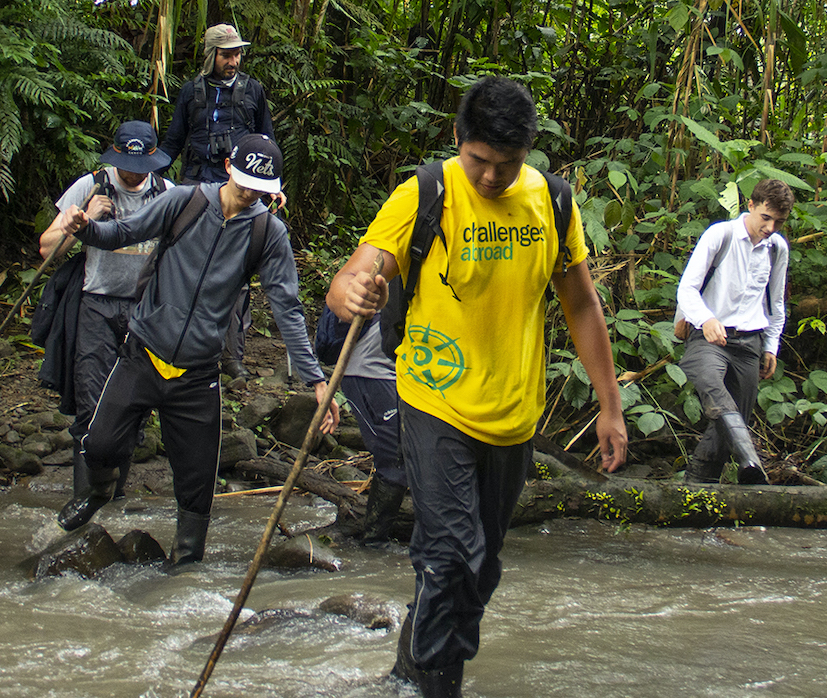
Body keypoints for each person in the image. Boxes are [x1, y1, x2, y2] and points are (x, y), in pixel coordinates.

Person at [325, 76, 628, 698]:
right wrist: (352, 292)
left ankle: (408, 673)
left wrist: (609, 404)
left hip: (514, 414)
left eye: (507, 164)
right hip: (434, 400)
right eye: (479, 161)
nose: (490, 177)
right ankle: (439, 687)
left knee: (480, 567)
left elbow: (580, 303)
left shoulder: (553, 202)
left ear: (529, 153)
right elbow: (352, 276)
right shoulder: (425, 194)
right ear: (457, 139)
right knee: (451, 555)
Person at [55, 134, 337, 569]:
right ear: (228, 167)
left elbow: (287, 308)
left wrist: (316, 380)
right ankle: (94, 493)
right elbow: (125, 232)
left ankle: (184, 563)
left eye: (259, 192)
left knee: (197, 480)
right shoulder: (183, 202)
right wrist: (86, 228)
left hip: (198, 373)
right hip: (144, 352)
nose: (249, 198)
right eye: (244, 186)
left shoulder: (267, 232)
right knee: (101, 442)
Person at [35, 121, 173, 505]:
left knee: (132, 407)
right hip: (96, 306)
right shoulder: (91, 186)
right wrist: (80, 220)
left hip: (144, 311)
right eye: (125, 165)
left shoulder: (167, 194)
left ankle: (114, 499)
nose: (132, 174)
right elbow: (47, 249)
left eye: (140, 166)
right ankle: (86, 500)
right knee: (91, 407)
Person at [160, 23, 281, 378]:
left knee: (236, 273)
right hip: (198, 189)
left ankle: (232, 357)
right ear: (211, 55)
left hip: (242, 192)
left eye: (237, 53)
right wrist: (147, 174)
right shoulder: (190, 92)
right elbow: (173, 142)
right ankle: (181, 346)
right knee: (187, 267)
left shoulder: (253, 91)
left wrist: (274, 185)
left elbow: (266, 140)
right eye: (227, 54)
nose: (234, 60)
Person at [672, 179, 793, 485]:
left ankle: (698, 489)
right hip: (707, 336)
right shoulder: (721, 234)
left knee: (735, 416)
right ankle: (750, 460)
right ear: (751, 206)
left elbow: (776, 302)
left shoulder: (777, 248)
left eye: (778, 222)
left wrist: (770, 347)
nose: (770, 227)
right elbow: (687, 288)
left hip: (749, 341)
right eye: (765, 218)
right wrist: (706, 318)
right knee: (713, 385)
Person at [314, 308, 406, 545]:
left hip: (397, 373)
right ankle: (374, 541)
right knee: (395, 457)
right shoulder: (378, 272)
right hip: (368, 372)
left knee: (408, 454)